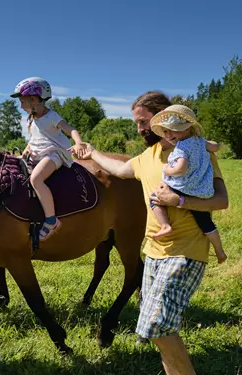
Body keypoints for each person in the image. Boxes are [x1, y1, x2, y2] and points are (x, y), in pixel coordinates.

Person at [77, 91, 228, 375]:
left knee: (157, 326)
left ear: (162, 118)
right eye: (137, 123)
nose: (139, 128)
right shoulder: (149, 155)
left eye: (143, 121)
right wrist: (92, 152)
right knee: (155, 329)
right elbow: (121, 169)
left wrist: (181, 201)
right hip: (154, 253)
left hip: (186, 251)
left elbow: (222, 201)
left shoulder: (195, 151)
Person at [149, 104, 227, 264]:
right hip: (201, 190)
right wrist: (212, 146)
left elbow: (181, 168)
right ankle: (220, 252)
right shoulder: (200, 141)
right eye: (165, 131)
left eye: (172, 129)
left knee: (154, 198)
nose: (168, 134)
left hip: (182, 188)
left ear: (185, 128)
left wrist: (168, 169)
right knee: (206, 224)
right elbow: (215, 146)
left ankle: (165, 225)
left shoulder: (181, 147)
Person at [10, 77, 86, 241]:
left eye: (23, 101)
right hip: (38, 152)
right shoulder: (31, 118)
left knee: (36, 179)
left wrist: (78, 143)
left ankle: (51, 220)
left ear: (34, 99)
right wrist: (21, 156)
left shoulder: (51, 116)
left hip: (54, 153)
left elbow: (70, 129)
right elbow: (33, 141)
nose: (21, 106)